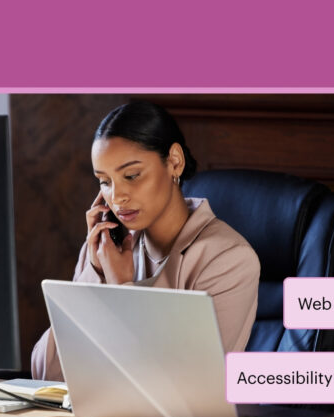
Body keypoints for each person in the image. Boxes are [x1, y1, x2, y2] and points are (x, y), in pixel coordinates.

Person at [31, 101, 260, 381]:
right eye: (105, 181)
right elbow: (47, 374)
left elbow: (184, 386)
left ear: (174, 162)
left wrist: (121, 289)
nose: (117, 197)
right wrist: (95, 276)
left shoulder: (228, 259)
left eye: (131, 176)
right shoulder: (105, 250)